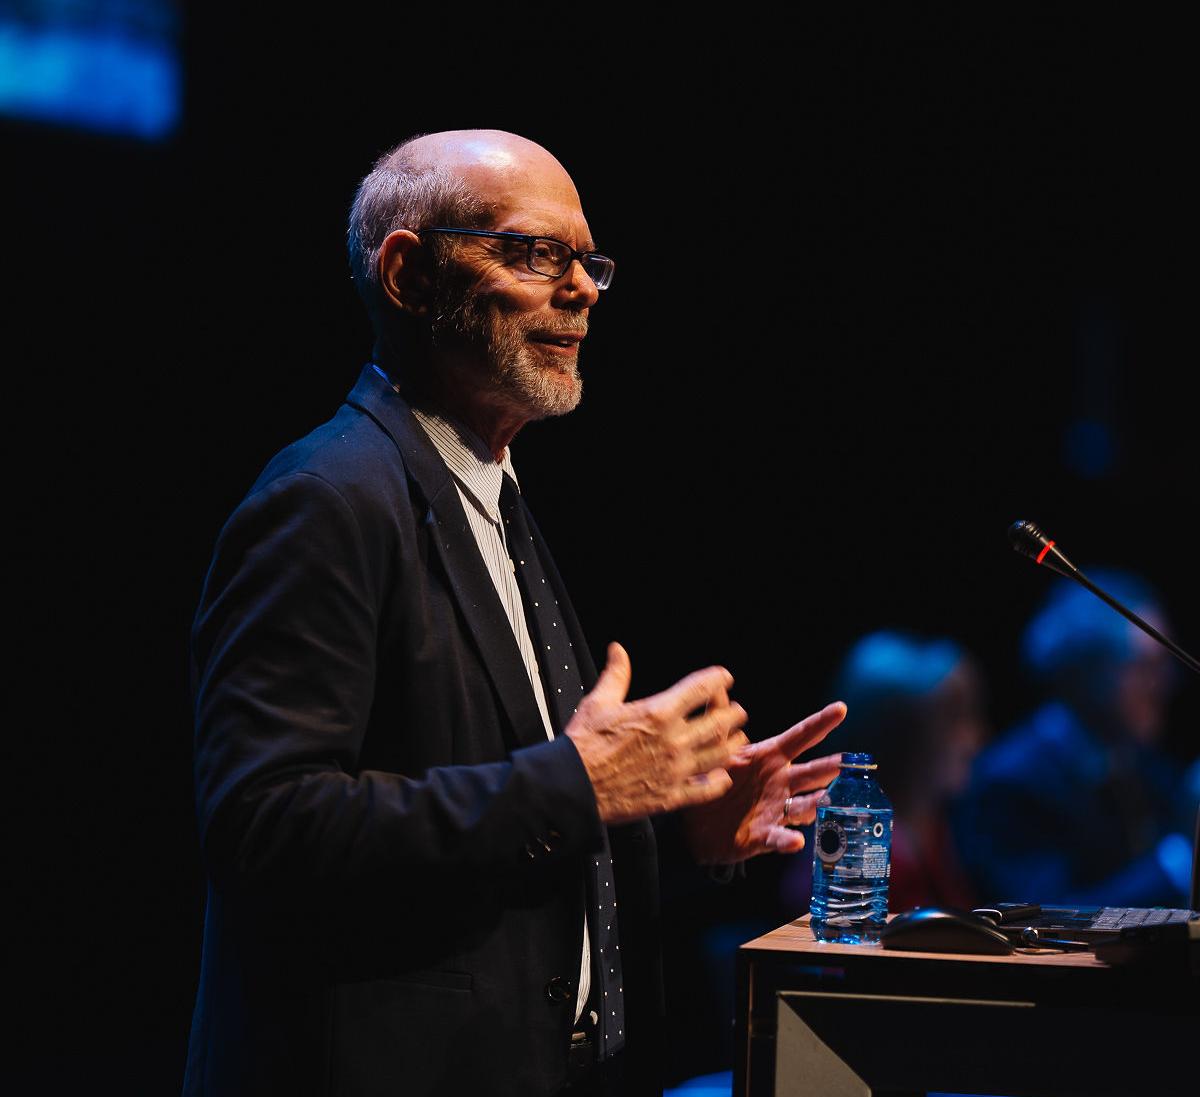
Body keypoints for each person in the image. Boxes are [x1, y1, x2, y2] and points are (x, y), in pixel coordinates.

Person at [183, 130, 846, 1097]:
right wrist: (580, 783)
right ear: (409, 275)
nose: (580, 290)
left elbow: (508, 810)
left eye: (588, 262)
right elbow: (265, 828)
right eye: (536, 253)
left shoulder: (491, 494)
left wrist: (672, 822)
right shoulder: (327, 500)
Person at [956, 570, 1197, 907]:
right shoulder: (1010, 783)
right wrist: (1179, 861)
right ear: (1088, 670)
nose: (1167, 683)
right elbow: (1046, 916)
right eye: (1146, 666)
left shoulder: (1146, 767)